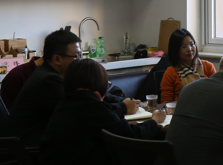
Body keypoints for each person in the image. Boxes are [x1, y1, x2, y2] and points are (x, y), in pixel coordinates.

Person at [8, 30, 138, 146]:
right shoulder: (49, 81)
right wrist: (123, 107)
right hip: (34, 149)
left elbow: (90, 97)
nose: (79, 61)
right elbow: (87, 111)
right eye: (76, 56)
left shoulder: (50, 74)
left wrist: (122, 100)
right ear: (57, 59)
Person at [160, 29, 216, 103]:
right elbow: (166, 102)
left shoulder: (208, 67)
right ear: (175, 50)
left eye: (191, 44)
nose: (189, 49)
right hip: (180, 108)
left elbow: (217, 93)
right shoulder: (170, 73)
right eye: (183, 47)